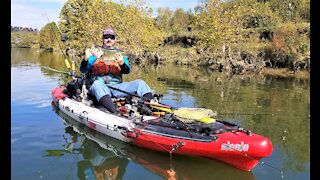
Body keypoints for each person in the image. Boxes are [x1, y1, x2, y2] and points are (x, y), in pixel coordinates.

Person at [80, 27, 154, 113]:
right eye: (106, 37)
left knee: (140, 83)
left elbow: (127, 71)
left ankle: (149, 106)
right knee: (97, 84)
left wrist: (122, 63)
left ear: (114, 40)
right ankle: (114, 111)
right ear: (102, 39)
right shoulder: (94, 55)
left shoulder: (119, 54)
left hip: (117, 87)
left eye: (111, 37)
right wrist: (85, 59)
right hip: (100, 87)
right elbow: (83, 70)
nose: (109, 39)